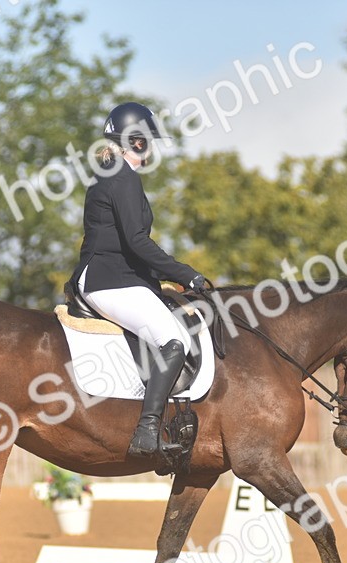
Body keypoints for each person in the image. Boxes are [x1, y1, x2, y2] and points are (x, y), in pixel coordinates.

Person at [70, 101, 209, 458]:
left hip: (115, 275)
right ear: (136, 141)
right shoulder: (123, 177)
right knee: (173, 341)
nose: (151, 149)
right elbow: (136, 240)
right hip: (108, 280)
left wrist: (160, 278)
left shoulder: (110, 171)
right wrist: (187, 275)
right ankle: (147, 430)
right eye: (149, 140)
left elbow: (125, 243)